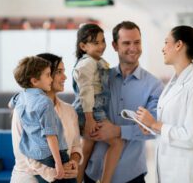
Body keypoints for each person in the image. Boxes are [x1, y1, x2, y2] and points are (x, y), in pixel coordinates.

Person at [84, 21, 163, 183]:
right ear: (114, 46)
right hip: (94, 174)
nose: (133, 48)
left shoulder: (154, 86)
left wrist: (118, 131)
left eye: (137, 42)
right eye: (126, 43)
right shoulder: (100, 78)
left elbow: (154, 129)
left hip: (132, 175)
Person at [136, 25, 193, 182]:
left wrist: (155, 125)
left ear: (179, 45)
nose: (163, 48)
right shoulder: (176, 81)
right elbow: (173, 123)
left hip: (190, 173)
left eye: (166, 42)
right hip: (173, 169)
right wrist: (151, 128)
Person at [10, 54, 82, 183]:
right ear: (36, 79)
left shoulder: (69, 110)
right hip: (29, 177)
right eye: (59, 72)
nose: (65, 77)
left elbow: (76, 145)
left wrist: (73, 163)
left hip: (62, 173)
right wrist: (54, 172)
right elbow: (24, 153)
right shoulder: (23, 108)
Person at [72, 23, 124, 183]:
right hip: (91, 112)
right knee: (117, 143)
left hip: (92, 111)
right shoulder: (87, 63)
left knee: (86, 149)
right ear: (83, 46)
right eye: (96, 43)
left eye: (103, 41)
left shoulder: (97, 61)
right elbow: (86, 92)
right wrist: (89, 120)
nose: (101, 46)